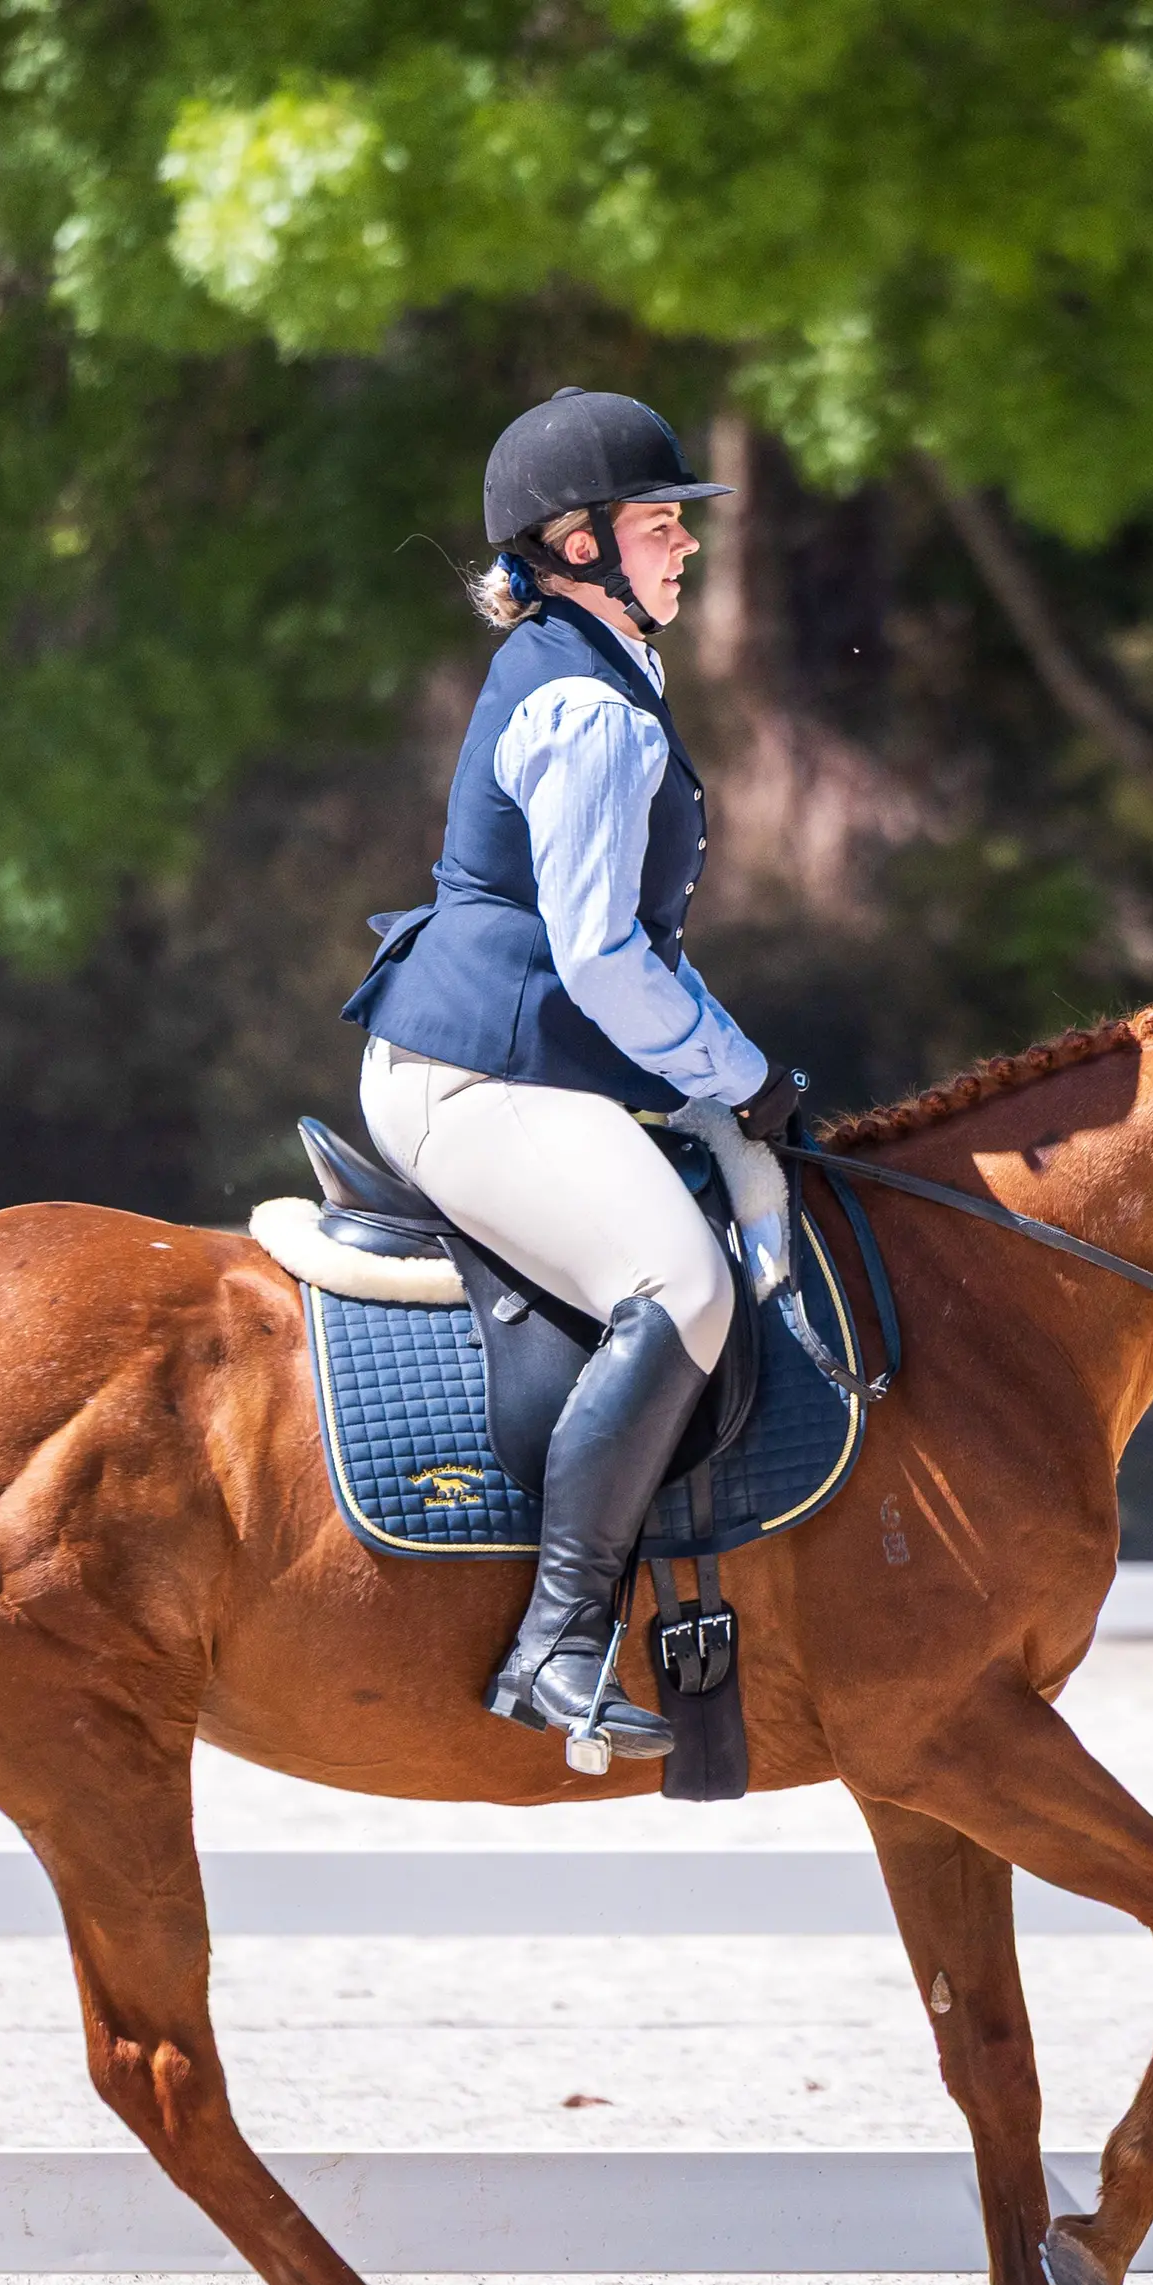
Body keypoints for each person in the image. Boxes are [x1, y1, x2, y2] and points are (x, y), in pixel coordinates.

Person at [343, 389, 804, 1764]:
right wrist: (741, 1070)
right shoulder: (592, 709)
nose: (687, 547)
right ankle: (556, 1642)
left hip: (512, 1057)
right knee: (684, 1283)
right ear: (579, 542)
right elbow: (605, 961)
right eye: (662, 523)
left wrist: (727, 1074)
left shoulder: (592, 667)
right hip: (477, 1074)